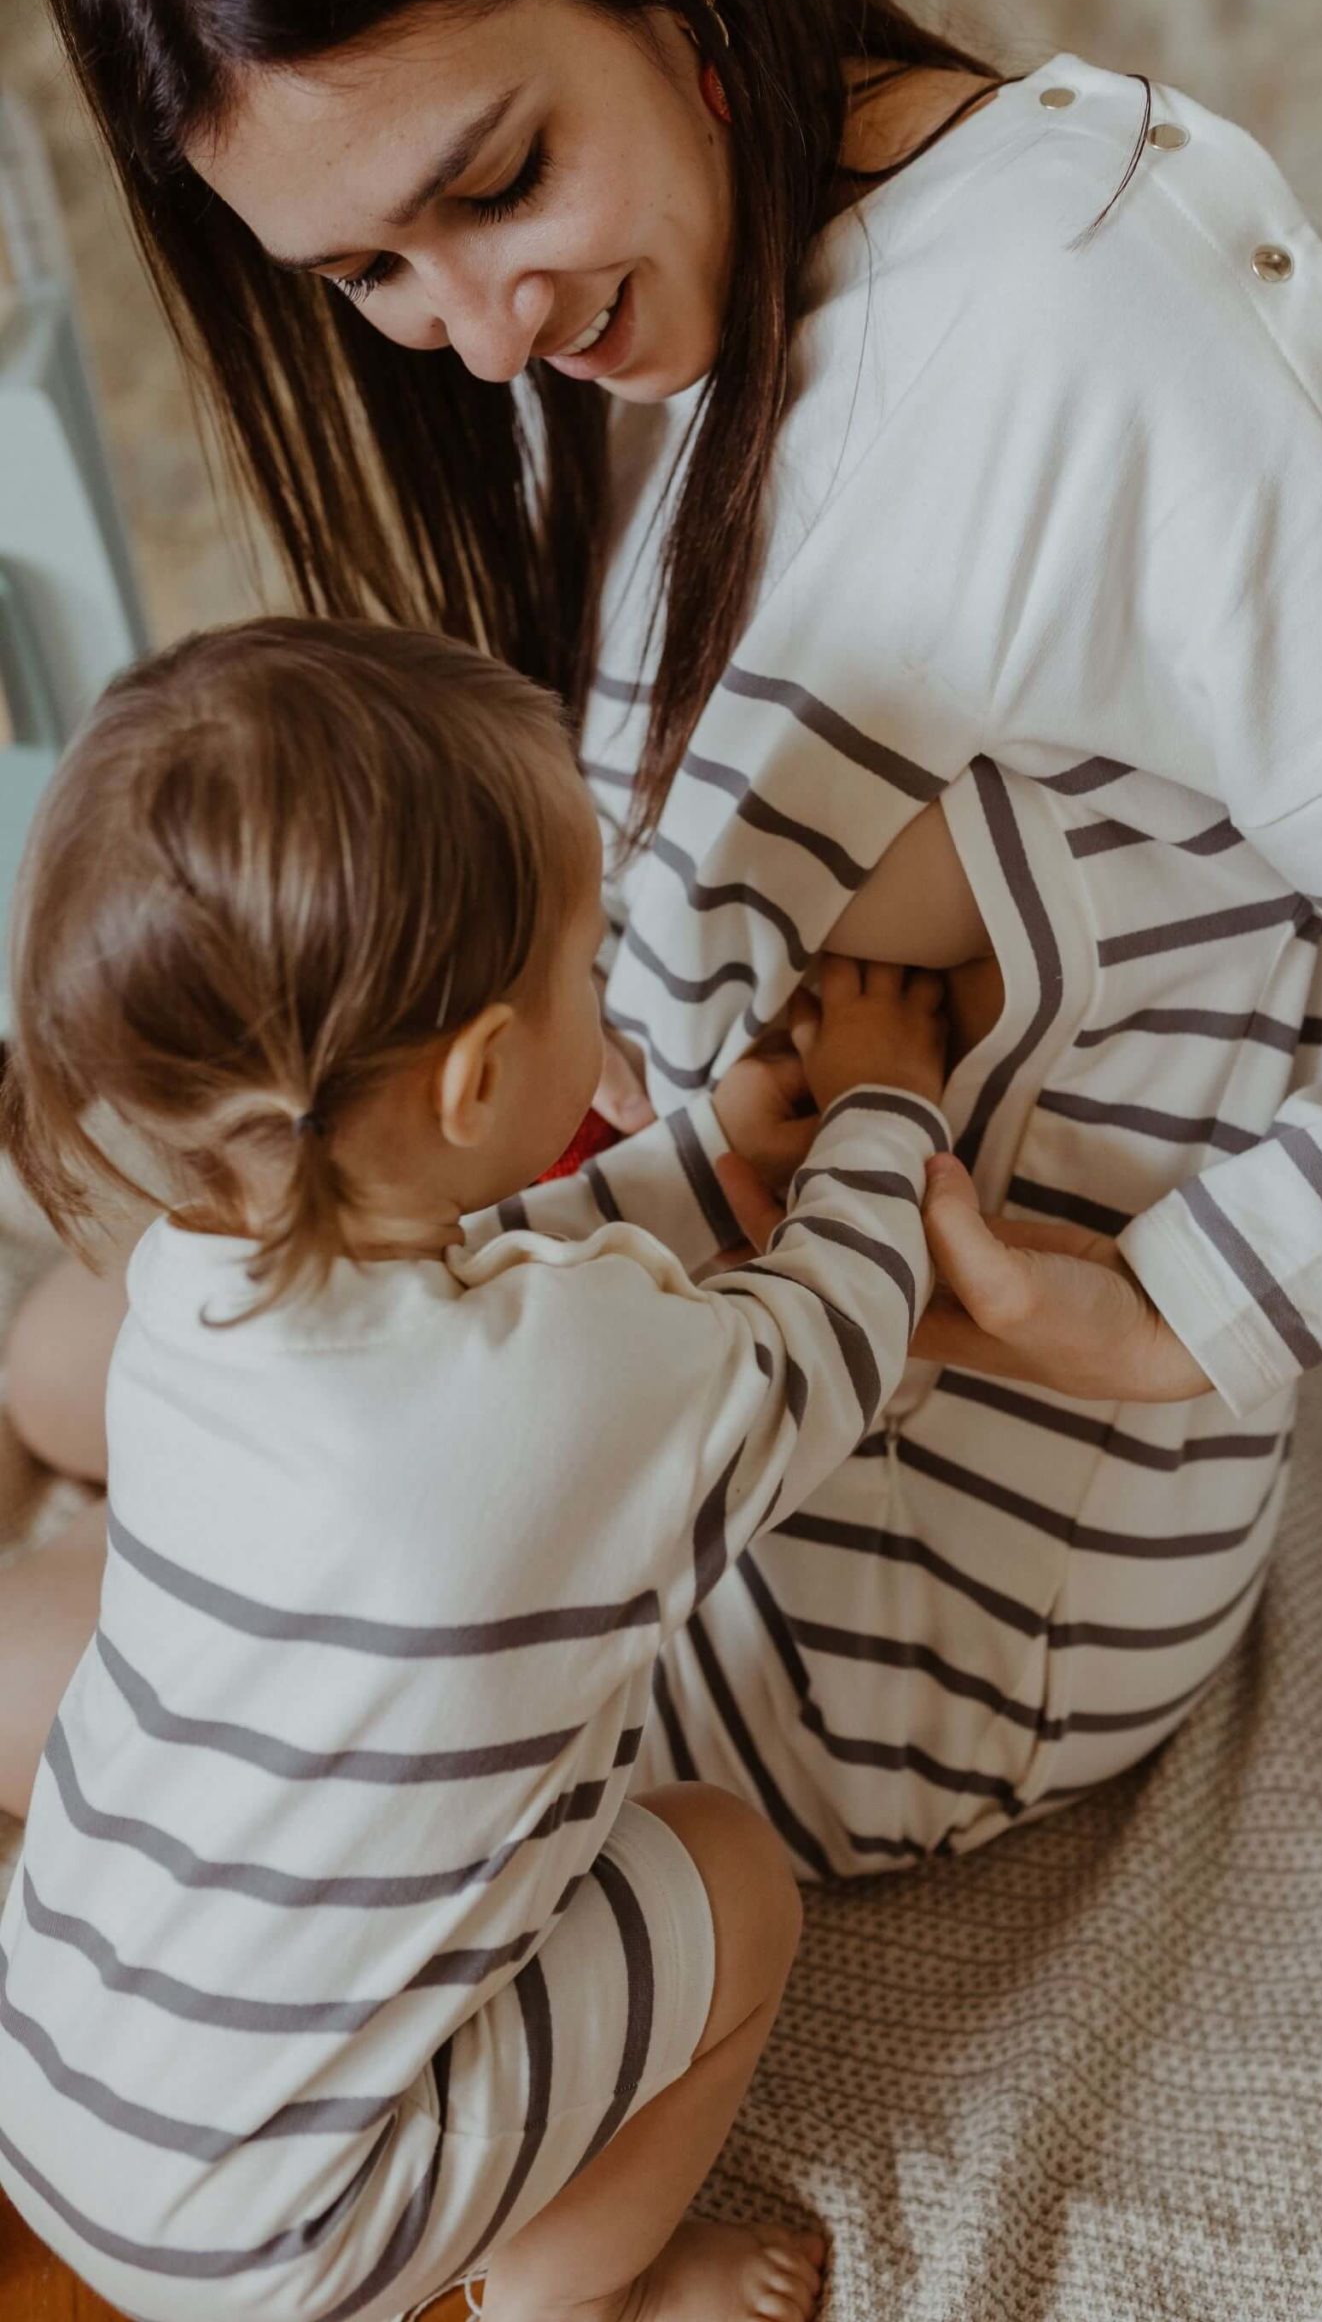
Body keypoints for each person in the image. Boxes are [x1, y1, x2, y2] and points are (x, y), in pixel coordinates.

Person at [6, 0, 1322, 1944]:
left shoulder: (1090, 327)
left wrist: (1167, 1312)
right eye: (368, 272)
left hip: (909, 1573)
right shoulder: (710, 262)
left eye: (499, 179)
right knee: (82, 1339)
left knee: (60, 1634)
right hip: (672, 1304)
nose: (484, 329)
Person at [0, 613, 962, 2322]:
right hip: (276, 2244)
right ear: (474, 1079)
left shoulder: (191, 1274)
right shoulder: (590, 1388)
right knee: (727, 1878)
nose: (613, 1003)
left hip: (57, 2095)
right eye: (590, 970)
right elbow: (832, 1344)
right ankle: (569, 2296)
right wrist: (885, 1113)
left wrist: (692, 1162)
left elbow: (467, 1278)